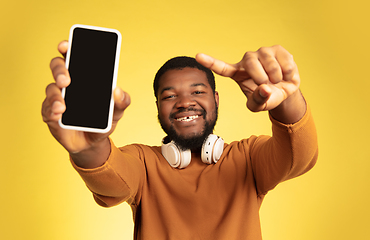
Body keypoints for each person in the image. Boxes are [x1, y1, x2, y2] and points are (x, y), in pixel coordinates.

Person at [42, 41, 318, 240]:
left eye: (198, 91)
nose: (185, 102)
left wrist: (287, 98)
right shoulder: (143, 163)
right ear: (158, 107)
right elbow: (112, 183)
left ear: (216, 100)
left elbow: (299, 157)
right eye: (170, 96)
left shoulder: (247, 157)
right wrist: (90, 148)